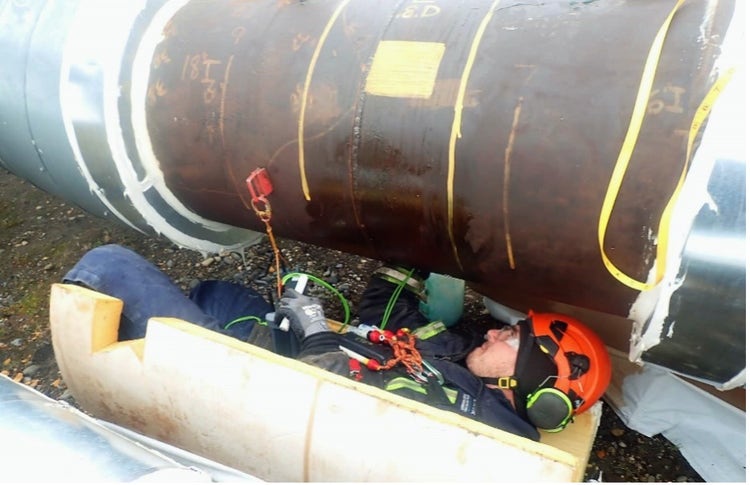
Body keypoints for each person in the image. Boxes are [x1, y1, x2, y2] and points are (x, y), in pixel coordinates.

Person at [63, 244, 611, 441]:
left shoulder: (470, 419)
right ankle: (162, 332)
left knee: (110, 264)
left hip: (258, 386)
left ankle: (132, 387)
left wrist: (314, 328)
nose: (493, 330)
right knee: (217, 292)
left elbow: (341, 403)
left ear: (532, 382)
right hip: (289, 356)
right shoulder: (466, 368)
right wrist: (415, 253)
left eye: (510, 337)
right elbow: (389, 321)